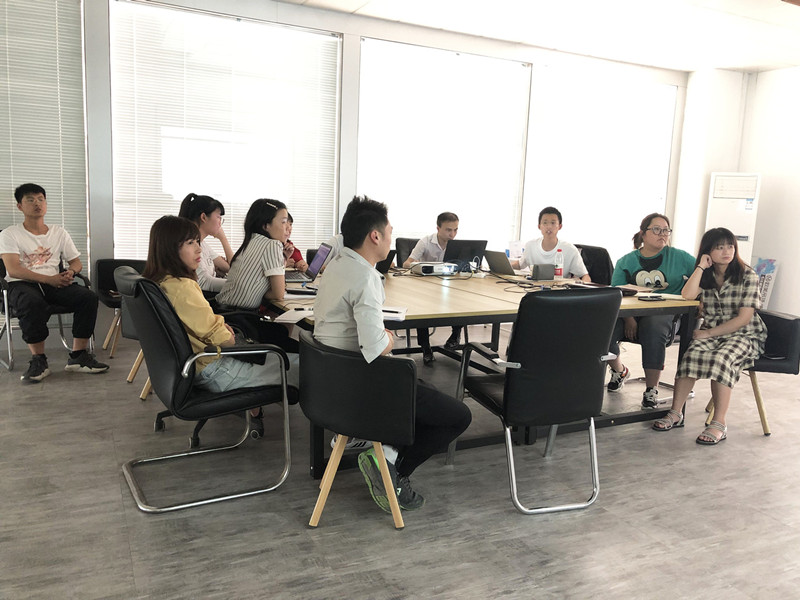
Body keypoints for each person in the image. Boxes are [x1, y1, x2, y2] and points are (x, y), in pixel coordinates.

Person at [314, 196, 472, 512]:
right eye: (389, 232)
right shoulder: (365, 277)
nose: (390, 238)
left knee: (425, 389)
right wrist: (388, 336)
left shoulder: (337, 265)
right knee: (457, 416)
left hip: (330, 381)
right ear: (375, 236)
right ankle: (392, 470)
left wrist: (381, 336)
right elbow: (375, 348)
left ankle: (384, 451)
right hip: (360, 385)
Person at [141, 215, 299, 435]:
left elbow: (203, 326)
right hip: (216, 370)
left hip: (198, 367)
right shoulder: (182, 287)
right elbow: (225, 340)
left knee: (285, 358)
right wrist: (226, 334)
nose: (199, 249)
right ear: (170, 249)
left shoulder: (162, 283)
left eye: (197, 242)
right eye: (190, 243)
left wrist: (221, 327)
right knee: (307, 365)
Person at [652, 228, 766, 444]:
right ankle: (676, 412)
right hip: (711, 334)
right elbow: (687, 295)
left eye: (730, 246)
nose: (727, 251)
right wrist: (700, 267)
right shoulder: (706, 275)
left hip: (745, 335)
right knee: (690, 356)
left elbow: (744, 319)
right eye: (719, 247)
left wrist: (708, 333)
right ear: (708, 251)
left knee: (721, 359)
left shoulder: (747, 275)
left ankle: (719, 423)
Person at [0, 183, 109, 382]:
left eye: (41, 199)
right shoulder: (9, 234)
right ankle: (39, 360)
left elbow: (76, 262)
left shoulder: (58, 232)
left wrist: (70, 272)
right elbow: (13, 269)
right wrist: (49, 279)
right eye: (30, 200)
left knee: (87, 297)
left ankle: (78, 357)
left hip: (54, 282)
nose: (37, 203)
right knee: (31, 302)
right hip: (22, 283)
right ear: (20, 206)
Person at [606, 213, 696, 408]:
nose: (662, 234)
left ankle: (651, 389)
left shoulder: (680, 257)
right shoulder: (626, 261)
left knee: (653, 326)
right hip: (632, 314)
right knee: (602, 328)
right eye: (656, 230)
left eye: (666, 230)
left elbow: (702, 274)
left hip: (666, 315)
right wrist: (629, 319)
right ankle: (619, 370)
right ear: (643, 234)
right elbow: (617, 294)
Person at [402, 211, 464, 364]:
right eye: (448, 230)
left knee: (462, 300)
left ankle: (455, 336)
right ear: (438, 228)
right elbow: (406, 264)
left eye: (455, 230)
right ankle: (426, 347)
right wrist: (422, 266)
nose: (452, 234)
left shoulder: (457, 245)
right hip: (426, 288)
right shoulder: (425, 242)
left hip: (449, 286)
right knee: (421, 311)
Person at [215, 199, 292, 310]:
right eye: (283, 222)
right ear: (265, 225)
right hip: (238, 315)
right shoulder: (272, 245)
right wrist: (262, 293)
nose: (288, 227)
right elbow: (278, 294)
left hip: (223, 309)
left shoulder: (252, 240)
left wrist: (284, 258)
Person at [510, 206, 591, 282]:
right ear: (539, 226)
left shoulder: (570, 249)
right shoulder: (530, 245)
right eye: (545, 223)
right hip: (533, 288)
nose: (549, 226)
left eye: (553, 223)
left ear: (560, 226)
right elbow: (519, 265)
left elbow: (585, 276)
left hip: (558, 290)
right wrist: (504, 265)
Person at [178, 192, 234, 293]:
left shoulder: (203, 245)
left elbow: (231, 268)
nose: (220, 223)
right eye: (218, 217)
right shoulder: (188, 246)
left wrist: (223, 239)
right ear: (203, 217)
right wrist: (237, 285)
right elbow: (204, 282)